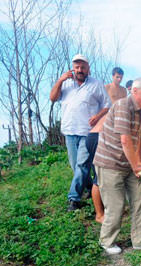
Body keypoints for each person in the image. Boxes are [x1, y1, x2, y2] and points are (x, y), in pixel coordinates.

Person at [93, 77, 141, 255]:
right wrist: (137, 166)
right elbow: (125, 139)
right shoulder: (123, 105)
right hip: (110, 163)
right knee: (116, 204)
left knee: (139, 199)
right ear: (134, 91)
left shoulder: (140, 112)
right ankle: (106, 241)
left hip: (127, 164)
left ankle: (139, 240)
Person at [49, 54, 111, 212]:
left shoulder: (95, 84)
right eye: (77, 67)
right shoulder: (66, 85)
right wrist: (60, 80)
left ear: (88, 69)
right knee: (76, 166)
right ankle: (90, 188)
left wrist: (97, 116)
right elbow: (52, 98)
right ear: (73, 68)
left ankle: (74, 199)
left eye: (83, 67)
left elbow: (107, 105)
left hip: (87, 132)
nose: (80, 70)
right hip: (69, 131)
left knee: (82, 164)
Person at [87, 70, 127, 223]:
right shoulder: (106, 92)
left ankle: (110, 208)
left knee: (110, 174)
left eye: (121, 77)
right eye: (117, 76)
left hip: (101, 135)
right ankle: (99, 214)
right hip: (97, 137)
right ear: (113, 76)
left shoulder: (123, 93)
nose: (119, 79)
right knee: (98, 177)